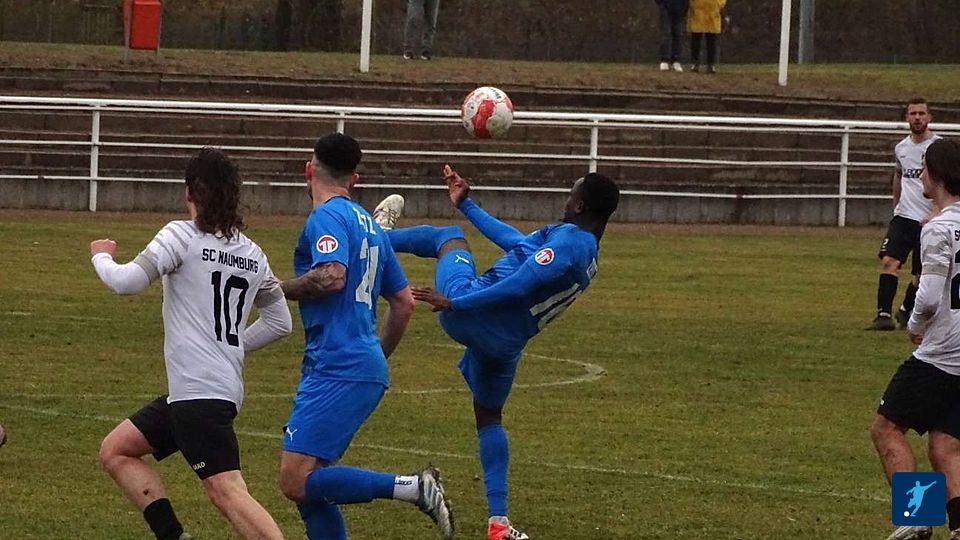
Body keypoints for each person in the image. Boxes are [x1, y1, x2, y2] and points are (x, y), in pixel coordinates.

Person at [372, 164, 620, 540]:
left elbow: (520, 284)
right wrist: (467, 205)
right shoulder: (587, 253)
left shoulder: (571, 240)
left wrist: (457, 303)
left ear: (581, 205)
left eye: (572, 194)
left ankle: (374, 237)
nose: (566, 200)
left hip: (471, 313)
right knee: (489, 416)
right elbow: (517, 245)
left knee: (448, 238)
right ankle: (498, 523)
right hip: (506, 344)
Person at [92, 148, 293, 540]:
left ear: (189, 192)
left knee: (225, 490)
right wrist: (230, 346)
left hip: (198, 393)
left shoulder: (181, 236)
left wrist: (101, 257)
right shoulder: (253, 254)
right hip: (206, 390)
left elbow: (126, 282)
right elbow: (280, 322)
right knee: (116, 449)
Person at [276, 133, 454, 540]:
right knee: (313, 482)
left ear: (308, 170)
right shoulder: (371, 227)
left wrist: (273, 289)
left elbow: (332, 276)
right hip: (356, 362)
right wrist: (374, 356)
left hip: (336, 364)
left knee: (295, 480)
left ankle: (413, 487)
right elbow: (404, 303)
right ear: (354, 179)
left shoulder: (326, 217)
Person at [870, 138, 960, 540]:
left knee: (887, 428)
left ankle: (918, 517)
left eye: (923, 168)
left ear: (936, 175)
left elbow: (928, 295)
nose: (919, 175)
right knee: (946, 445)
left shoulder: (938, 228)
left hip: (941, 354)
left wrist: (914, 326)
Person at [867, 98, 940, 331]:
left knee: (920, 275)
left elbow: (947, 182)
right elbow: (899, 176)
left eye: (921, 113)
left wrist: (937, 211)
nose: (917, 118)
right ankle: (883, 315)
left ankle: (906, 309)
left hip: (928, 220)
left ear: (929, 118)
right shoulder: (901, 148)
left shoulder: (939, 149)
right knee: (889, 262)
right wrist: (896, 205)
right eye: (913, 113)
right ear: (907, 117)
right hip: (903, 217)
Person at [687, 0, 726, 73]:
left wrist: (718, 4)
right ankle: (695, 63)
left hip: (712, 11)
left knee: (711, 41)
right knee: (696, 40)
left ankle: (710, 64)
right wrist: (692, 4)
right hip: (697, 11)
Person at [655, 0, 688, 72]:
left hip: (679, 8)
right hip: (665, 7)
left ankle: (676, 60)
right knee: (665, 33)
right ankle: (664, 60)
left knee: (677, 34)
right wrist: (661, 3)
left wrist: (685, 6)